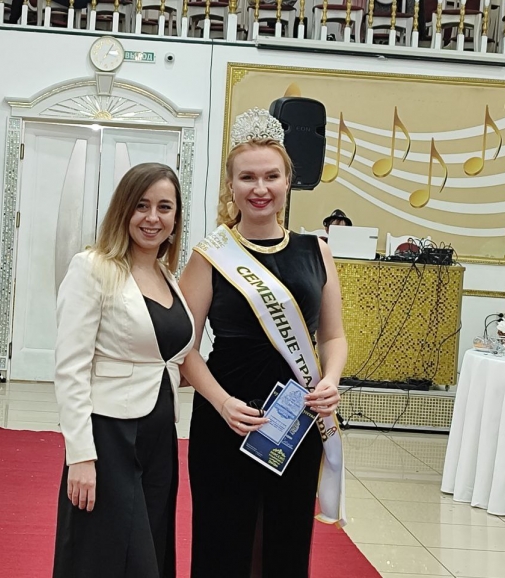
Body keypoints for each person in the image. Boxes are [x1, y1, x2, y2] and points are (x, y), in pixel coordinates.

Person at [179, 109, 348, 578]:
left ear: (288, 182)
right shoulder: (210, 256)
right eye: (248, 177)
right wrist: (222, 403)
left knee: (285, 540)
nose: (260, 188)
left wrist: (331, 380)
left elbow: (333, 335)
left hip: (297, 420)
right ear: (231, 186)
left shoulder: (316, 251)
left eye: (271, 176)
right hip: (226, 419)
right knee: (222, 542)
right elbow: (184, 349)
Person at [52, 163, 194, 578]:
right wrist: (80, 456)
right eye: (141, 205)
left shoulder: (166, 276)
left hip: (160, 437)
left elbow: (171, 358)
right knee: (108, 557)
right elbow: (71, 368)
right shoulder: (92, 267)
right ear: (123, 210)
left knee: (152, 551)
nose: (153, 218)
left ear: (176, 218)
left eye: (164, 207)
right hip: (110, 436)